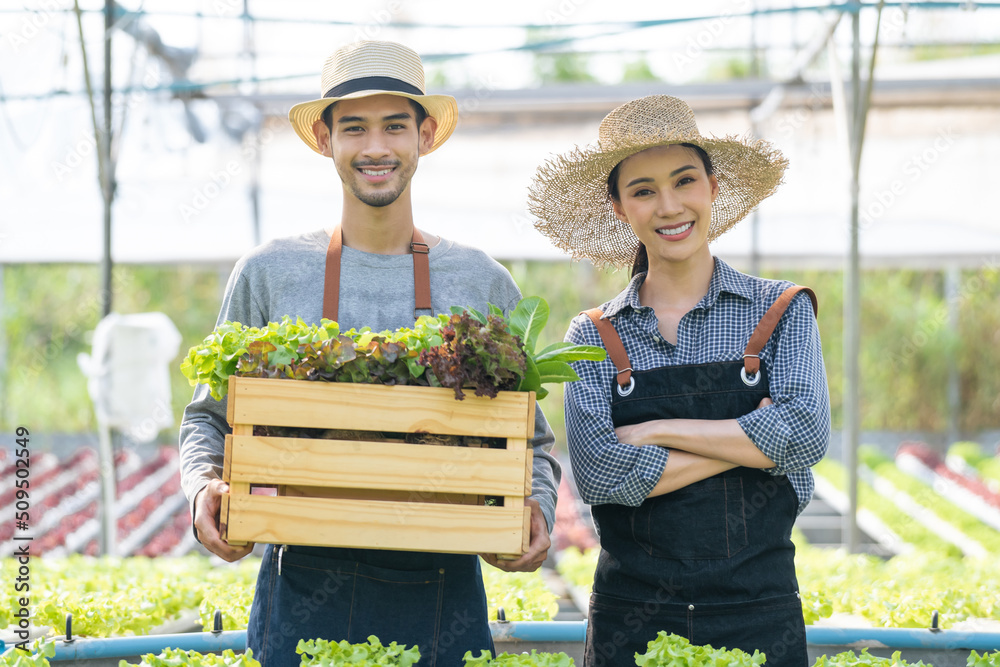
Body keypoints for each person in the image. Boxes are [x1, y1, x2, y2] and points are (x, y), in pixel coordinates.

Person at [179, 40, 561, 667]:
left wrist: (535, 509)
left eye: (395, 126)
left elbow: (533, 441)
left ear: (425, 136)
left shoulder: (481, 281)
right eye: (354, 128)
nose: (376, 147)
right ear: (324, 140)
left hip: (443, 584)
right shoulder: (270, 273)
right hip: (299, 579)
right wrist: (202, 493)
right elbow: (207, 418)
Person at [529, 95, 830, 667]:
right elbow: (598, 475)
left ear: (713, 187)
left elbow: (807, 436)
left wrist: (659, 427)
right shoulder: (594, 333)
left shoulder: (782, 310)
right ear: (619, 208)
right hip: (632, 619)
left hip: (759, 613)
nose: (668, 206)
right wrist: (753, 445)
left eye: (684, 180)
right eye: (643, 190)